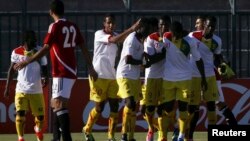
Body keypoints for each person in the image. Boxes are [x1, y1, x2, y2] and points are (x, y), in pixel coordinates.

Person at [14, 0, 98, 141]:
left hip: (61, 71)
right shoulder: (73, 26)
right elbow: (83, 47)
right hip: (70, 71)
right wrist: (90, 67)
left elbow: (46, 48)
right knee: (56, 104)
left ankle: (66, 138)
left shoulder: (54, 26)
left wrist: (27, 60)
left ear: (51, 12)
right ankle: (56, 138)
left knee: (58, 105)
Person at [82, 14, 140, 141]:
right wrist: (132, 28)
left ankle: (111, 137)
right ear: (104, 23)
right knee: (99, 107)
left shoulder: (118, 35)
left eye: (113, 23)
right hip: (99, 75)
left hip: (113, 77)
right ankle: (87, 129)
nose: (111, 25)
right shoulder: (99, 34)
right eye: (108, 23)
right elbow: (114, 40)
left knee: (114, 106)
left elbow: (125, 44)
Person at [184, 15, 237, 141]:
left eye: (213, 26)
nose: (211, 28)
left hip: (210, 76)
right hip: (194, 76)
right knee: (193, 108)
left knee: (212, 105)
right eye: (209, 26)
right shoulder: (193, 36)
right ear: (204, 25)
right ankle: (188, 136)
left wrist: (221, 66)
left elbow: (217, 57)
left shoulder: (217, 41)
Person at [162, 21, 207, 141]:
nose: (174, 36)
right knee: (167, 108)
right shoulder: (166, 37)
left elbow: (198, 60)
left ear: (180, 32)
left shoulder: (190, 42)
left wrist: (203, 78)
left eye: (177, 33)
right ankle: (175, 127)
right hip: (168, 78)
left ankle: (181, 135)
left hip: (185, 79)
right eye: (173, 34)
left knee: (183, 108)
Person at [4, 30, 48, 141]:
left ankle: (37, 130)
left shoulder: (39, 51)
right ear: (26, 41)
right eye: (32, 39)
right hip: (21, 89)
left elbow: (44, 67)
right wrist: (7, 88)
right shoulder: (16, 52)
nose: (35, 41)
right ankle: (21, 138)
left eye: (35, 38)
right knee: (20, 116)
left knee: (40, 118)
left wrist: (45, 77)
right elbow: (11, 70)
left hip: (36, 90)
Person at [116, 17, 151, 141]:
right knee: (130, 103)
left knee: (134, 107)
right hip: (124, 74)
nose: (148, 31)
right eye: (147, 28)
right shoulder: (132, 38)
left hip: (135, 77)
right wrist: (142, 62)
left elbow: (141, 58)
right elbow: (128, 59)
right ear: (140, 27)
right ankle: (124, 135)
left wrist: (145, 59)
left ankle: (131, 137)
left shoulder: (142, 41)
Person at [139, 15, 171, 141]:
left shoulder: (171, 38)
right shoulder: (151, 39)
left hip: (165, 78)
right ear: (158, 26)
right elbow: (150, 59)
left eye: (166, 24)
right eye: (162, 24)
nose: (164, 27)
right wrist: (164, 54)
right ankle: (151, 128)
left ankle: (162, 136)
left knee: (163, 107)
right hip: (151, 77)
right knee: (147, 109)